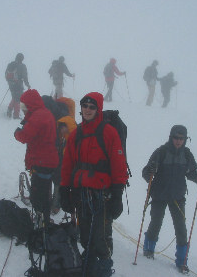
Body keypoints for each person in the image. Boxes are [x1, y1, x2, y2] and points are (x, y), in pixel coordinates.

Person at [59, 92, 129, 277]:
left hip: (103, 195)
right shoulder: (77, 134)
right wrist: (64, 189)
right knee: (84, 234)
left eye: (92, 107)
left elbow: (118, 164)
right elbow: (68, 164)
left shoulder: (109, 132)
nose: (88, 109)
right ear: (81, 108)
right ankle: (88, 268)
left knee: (100, 237)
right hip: (82, 193)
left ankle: (104, 269)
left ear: (98, 109)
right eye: (85, 106)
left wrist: (118, 194)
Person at [141, 125, 197, 273]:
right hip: (159, 194)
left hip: (177, 197)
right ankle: (148, 249)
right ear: (171, 137)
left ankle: (182, 261)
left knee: (181, 228)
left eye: (181, 138)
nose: (178, 141)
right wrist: (151, 171)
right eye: (176, 138)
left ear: (185, 139)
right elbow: (146, 173)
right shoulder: (161, 152)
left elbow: (193, 176)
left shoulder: (187, 154)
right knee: (156, 223)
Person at [14, 89, 59, 226]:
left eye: (24, 106)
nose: (23, 109)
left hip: (42, 161)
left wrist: (17, 133)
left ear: (31, 105)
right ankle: (43, 218)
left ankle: (42, 220)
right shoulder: (43, 113)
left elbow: (25, 136)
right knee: (43, 190)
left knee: (39, 193)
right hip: (46, 160)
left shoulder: (38, 116)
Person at [51, 97, 77, 215]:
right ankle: (57, 203)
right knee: (59, 180)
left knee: (58, 180)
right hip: (62, 159)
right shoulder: (69, 118)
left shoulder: (62, 121)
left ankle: (56, 204)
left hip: (62, 159)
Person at [5, 53, 30, 119]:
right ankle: (16, 115)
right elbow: (25, 76)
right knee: (18, 99)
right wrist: (27, 84)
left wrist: (10, 82)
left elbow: (5, 74)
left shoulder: (10, 64)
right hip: (18, 84)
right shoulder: (22, 66)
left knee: (14, 97)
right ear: (22, 59)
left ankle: (9, 110)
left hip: (11, 84)